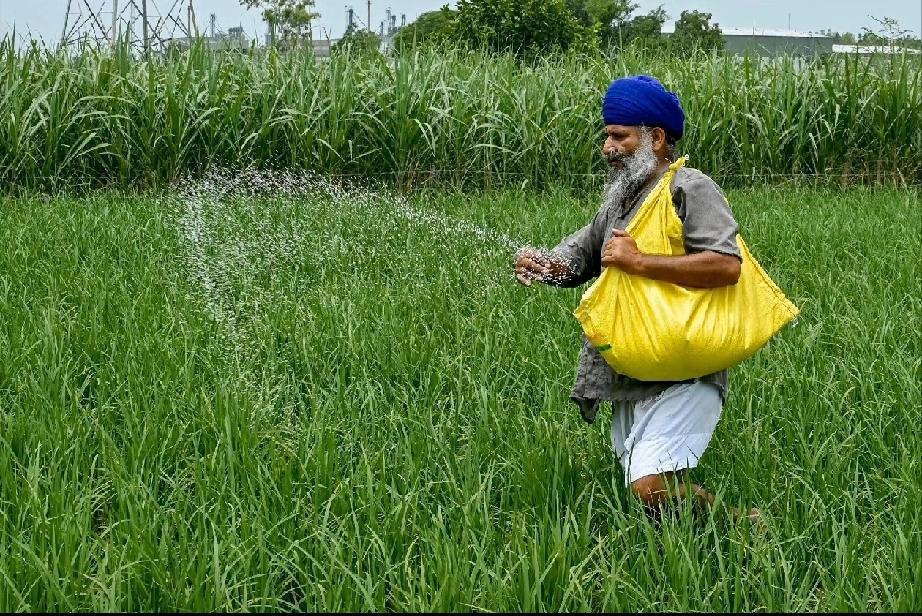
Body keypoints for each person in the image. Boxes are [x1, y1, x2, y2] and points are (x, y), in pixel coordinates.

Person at [514, 75, 759, 524]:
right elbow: (583, 255)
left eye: (619, 135)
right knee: (645, 494)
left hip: (688, 366)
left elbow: (726, 265)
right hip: (635, 368)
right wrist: (546, 267)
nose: (607, 146)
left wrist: (641, 261)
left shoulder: (690, 188)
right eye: (607, 135)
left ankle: (743, 525)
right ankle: (684, 551)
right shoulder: (621, 199)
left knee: (649, 487)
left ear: (656, 137)